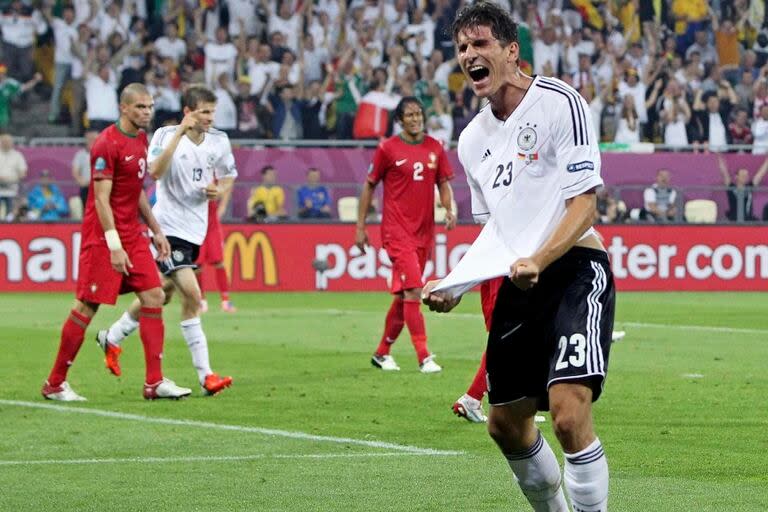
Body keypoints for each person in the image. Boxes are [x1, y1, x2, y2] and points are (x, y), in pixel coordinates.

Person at [423, 4, 614, 511]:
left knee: (568, 414)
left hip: (575, 270)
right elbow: (498, 230)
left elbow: (586, 201)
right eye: (462, 48)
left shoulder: (558, 102)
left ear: (511, 51)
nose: (469, 55)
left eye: (480, 44)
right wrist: (456, 283)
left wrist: (541, 257)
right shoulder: (471, 141)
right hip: (519, 282)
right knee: (505, 425)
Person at [41, 83, 190, 401]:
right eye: (140, 107)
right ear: (124, 108)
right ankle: (55, 383)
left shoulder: (140, 139)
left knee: (154, 294)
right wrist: (114, 245)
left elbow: (135, 190)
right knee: (86, 306)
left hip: (133, 235)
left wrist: (156, 229)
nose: (147, 112)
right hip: (103, 238)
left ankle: (154, 382)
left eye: (149, 107)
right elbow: (101, 199)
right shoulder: (106, 144)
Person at [95, 85, 236, 396]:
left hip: (195, 231)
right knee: (193, 295)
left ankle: (113, 336)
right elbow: (155, 172)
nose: (211, 118)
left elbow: (229, 174)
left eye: (213, 112)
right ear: (188, 112)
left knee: (161, 294)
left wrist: (221, 190)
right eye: (204, 112)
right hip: (168, 230)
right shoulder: (162, 135)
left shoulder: (220, 141)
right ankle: (206, 376)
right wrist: (178, 134)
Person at [356, 96, 455, 373]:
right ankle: (424, 356)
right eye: (409, 115)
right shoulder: (387, 149)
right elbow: (369, 186)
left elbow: (444, 183)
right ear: (399, 120)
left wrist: (448, 209)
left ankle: (382, 352)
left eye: (418, 114)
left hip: (424, 233)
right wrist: (360, 228)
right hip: (396, 231)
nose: (415, 119)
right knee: (414, 289)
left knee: (404, 296)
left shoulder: (435, 147)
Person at [196, 178, 237, 314]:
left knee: (219, 261)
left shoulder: (213, 169)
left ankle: (225, 300)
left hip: (212, 225)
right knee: (197, 264)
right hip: (195, 224)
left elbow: (229, 180)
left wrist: (223, 205)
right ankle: (201, 301)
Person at [717, 155, 768, 222]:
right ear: (736, 177)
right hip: (734, 220)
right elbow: (724, 172)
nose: (745, 177)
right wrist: (718, 156)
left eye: (746, 175)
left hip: (748, 220)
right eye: (743, 175)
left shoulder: (749, 187)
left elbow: (761, 173)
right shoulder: (731, 187)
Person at [0, 133, 27, 219]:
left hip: (12, 190)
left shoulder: (17, 155)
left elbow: (23, 173)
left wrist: (9, 179)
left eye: (8, 141)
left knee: (11, 216)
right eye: (4, 141)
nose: (6, 143)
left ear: (12, 143)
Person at [71, 130, 99, 209]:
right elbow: (75, 172)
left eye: (93, 139)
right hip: (86, 188)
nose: (91, 141)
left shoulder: (104, 153)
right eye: (89, 139)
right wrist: (81, 181)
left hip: (100, 188)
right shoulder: (80, 155)